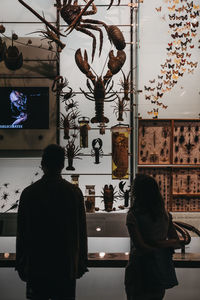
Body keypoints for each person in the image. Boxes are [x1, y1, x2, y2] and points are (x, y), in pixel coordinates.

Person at [16, 144, 88, 300]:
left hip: (37, 265)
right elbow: (81, 231)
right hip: (65, 265)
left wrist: (21, 263)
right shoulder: (74, 193)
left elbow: (21, 232)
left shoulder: (29, 194)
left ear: (42, 164)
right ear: (62, 164)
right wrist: (81, 261)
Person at [125, 173, 182, 300]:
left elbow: (141, 246)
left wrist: (153, 244)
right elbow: (176, 241)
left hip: (139, 268)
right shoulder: (165, 215)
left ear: (136, 193)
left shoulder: (133, 215)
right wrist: (160, 244)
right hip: (159, 266)